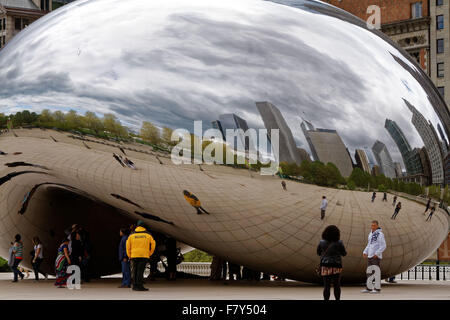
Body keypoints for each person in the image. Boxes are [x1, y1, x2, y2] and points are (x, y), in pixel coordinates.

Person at [317, 225, 347, 300]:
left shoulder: (322, 242)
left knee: (326, 286)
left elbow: (318, 252)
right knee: (336, 285)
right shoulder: (339, 242)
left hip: (325, 266)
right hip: (336, 266)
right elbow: (344, 253)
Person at [126, 221, 156, 291]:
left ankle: (134, 286)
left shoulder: (131, 235)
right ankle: (139, 286)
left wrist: (129, 255)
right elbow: (153, 244)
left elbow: (127, 246)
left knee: (134, 271)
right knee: (140, 271)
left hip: (134, 255)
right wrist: (149, 253)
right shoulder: (148, 235)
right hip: (144, 255)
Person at [362, 220, 386, 294]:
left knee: (376, 272)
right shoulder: (370, 234)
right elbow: (369, 244)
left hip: (375, 256)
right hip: (370, 255)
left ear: (377, 226)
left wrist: (377, 253)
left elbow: (383, 245)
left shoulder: (380, 234)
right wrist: (365, 251)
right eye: (371, 225)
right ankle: (368, 288)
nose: (372, 227)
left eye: (374, 226)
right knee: (369, 272)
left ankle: (377, 288)